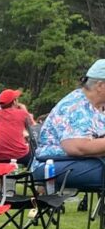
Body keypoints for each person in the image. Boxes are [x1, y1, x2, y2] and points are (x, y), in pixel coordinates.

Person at [31, 59, 105, 189]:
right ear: (100, 85)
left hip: (78, 162)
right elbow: (77, 146)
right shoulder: (76, 106)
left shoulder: (96, 107)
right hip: (52, 164)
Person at [0, 88, 35, 166]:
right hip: (19, 155)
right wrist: (25, 109)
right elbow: (33, 127)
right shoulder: (22, 113)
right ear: (14, 101)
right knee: (34, 154)